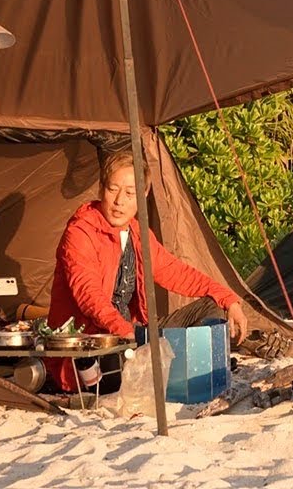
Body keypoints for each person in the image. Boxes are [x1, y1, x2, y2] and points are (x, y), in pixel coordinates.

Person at [46, 150, 248, 394]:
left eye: (130, 193)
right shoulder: (80, 232)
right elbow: (89, 296)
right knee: (130, 366)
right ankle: (171, 371)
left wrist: (230, 299)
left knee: (212, 307)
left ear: (143, 195)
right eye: (113, 189)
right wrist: (129, 335)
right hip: (95, 346)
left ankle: (176, 370)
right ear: (101, 189)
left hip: (134, 336)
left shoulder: (138, 233)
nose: (119, 201)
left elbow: (177, 272)